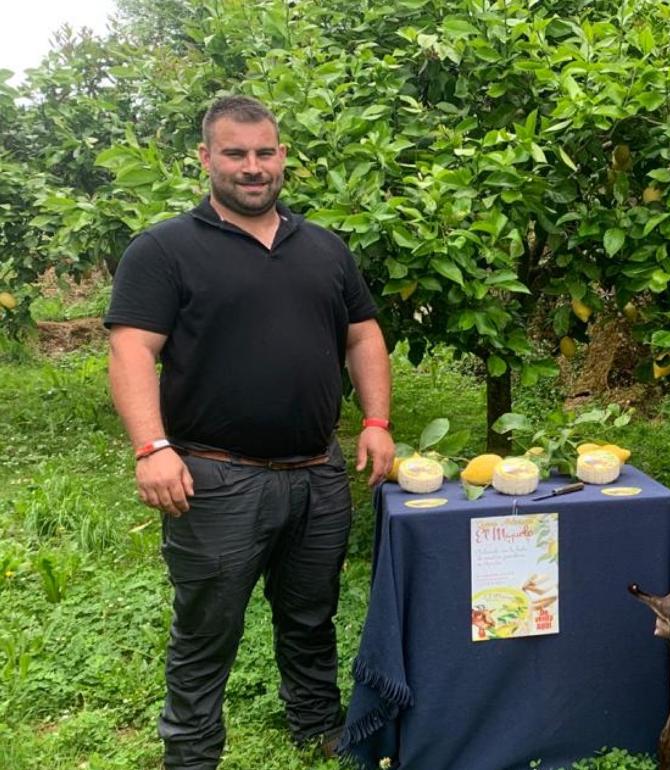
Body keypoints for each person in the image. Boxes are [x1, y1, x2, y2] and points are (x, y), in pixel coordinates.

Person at [105, 95, 395, 768]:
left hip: (317, 474)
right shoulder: (164, 249)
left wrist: (376, 421)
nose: (252, 167)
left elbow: (364, 334)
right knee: (207, 628)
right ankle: (192, 753)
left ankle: (318, 726)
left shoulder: (323, 247)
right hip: (216, 477)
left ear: (282, 157)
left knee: (310, 616)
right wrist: (151, 447)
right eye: (235, 153)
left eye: (264, 152)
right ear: (206, 158)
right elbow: (130, 350)